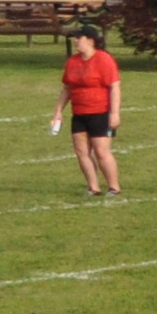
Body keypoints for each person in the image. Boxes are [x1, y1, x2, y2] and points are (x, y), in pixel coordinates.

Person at [57, 28, 124, 197]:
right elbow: (67, 88)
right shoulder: (73, 62)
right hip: (79, 113)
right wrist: (58, 111)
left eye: (79, 37)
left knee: (101, 151)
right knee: (82, 152)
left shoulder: (103, 59)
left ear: (90, 40)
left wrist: (114, 113)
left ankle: (113, 187)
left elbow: (114, 86)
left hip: (100, 112)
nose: (75, 41)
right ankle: (93, 187)